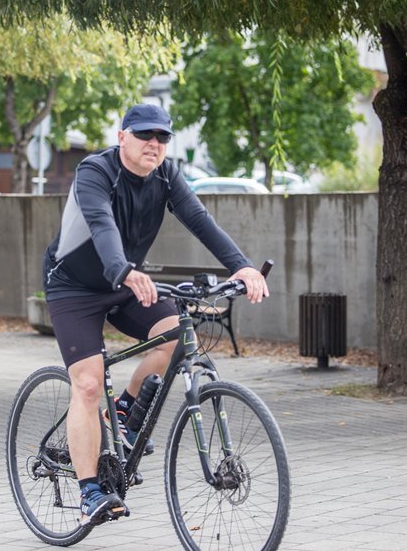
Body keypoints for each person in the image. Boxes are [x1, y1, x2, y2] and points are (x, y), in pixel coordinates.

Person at [42, 103, 269, 526]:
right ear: (122, 137)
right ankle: (90, 492)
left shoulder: (166, 175)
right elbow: (101, 223)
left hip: (127, 282)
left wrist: (241, 266)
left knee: (177, 337)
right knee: (88, 385)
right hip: (75, 287)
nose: (155, 143)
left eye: (162, 136)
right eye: (145, 134)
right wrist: (124, 270)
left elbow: (200, 220)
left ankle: (123, 410)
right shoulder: (95, 172)